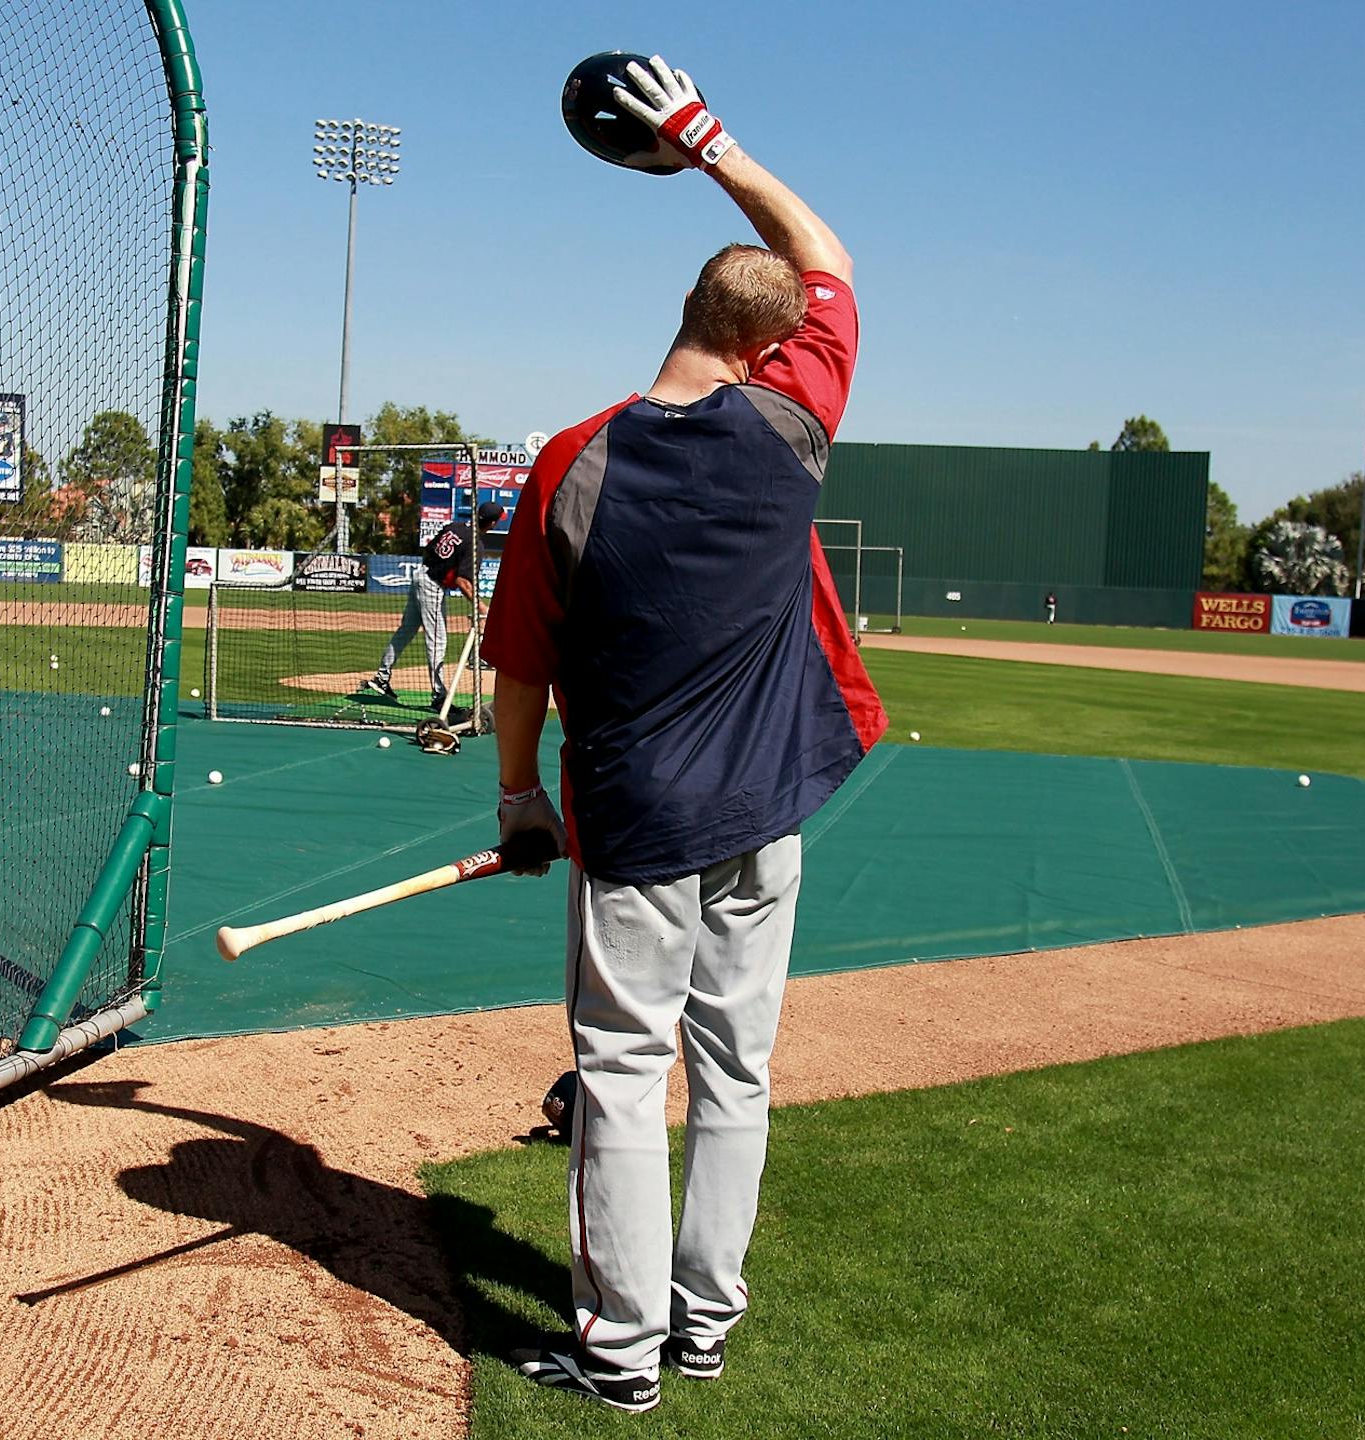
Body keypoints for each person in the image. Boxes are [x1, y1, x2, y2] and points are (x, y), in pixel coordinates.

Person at [484, 54, 885, 1414]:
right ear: (777, 348)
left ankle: (620, 1350)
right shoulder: (792, 426)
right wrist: (708, 143)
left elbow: (522, 672)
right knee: (738, 1077)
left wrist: (516, 800)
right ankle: (702, 1326)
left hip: (636, 823)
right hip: (762, 818)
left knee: (618, 1079)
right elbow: (823, 257)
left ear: (687, 313)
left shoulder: (572, 463)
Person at [363, 501, 503, 709]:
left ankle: (381, 677)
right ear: (491, 524)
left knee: (406, 631)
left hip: (421, 575)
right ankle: (439, 696)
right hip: (432, 586)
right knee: (437, 640)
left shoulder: (454, 527)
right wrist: (482, 608)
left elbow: (429, 550)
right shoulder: (475, 544)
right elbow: (462, 581)